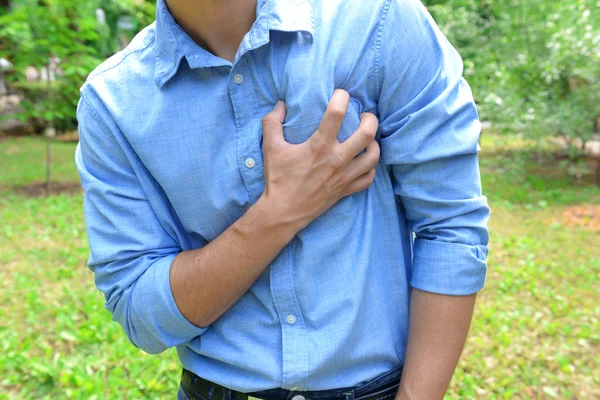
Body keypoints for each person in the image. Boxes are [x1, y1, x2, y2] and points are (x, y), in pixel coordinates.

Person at [75, 0, 490, 399]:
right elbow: (141, 313)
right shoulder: (112, 101)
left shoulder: (375, 20)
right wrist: (281, 211)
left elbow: (450, 227)